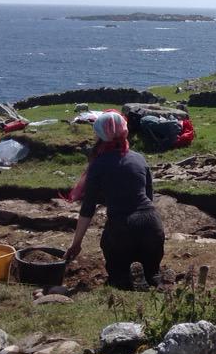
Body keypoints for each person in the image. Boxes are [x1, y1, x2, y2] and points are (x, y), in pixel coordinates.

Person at [63, 112, 165, 289]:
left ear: (101, 136)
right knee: (151, 273)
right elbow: (149, 197)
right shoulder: (139, 158)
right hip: (152, 225)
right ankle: (153, 277)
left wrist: (76, 243)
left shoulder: (99, 164)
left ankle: (122, 279)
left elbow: (88, 208)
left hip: (122, 228)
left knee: (118, 275)